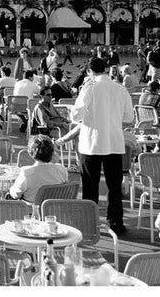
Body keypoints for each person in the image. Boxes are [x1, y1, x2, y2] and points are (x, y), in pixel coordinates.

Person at [70, 57, 134, 235]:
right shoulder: (120, 89)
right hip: (113, 141)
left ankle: (90, 223)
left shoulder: (89, 88)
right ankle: (116, 222)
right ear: (105, 69)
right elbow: (129, 117)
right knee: (114, 186)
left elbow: (75, 116)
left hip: (92, 142)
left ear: (89, 72)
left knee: (90, 186)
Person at [7, 135, 69, 202]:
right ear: (52, 152)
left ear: (31, 152)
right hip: (54, 207)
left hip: (31, 208)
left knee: (9, 195)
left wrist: (11, 189)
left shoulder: (26, 172)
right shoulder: (61, 169)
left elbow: (16, 195)